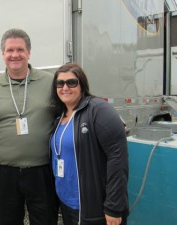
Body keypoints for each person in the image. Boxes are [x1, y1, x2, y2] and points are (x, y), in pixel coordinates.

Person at [0, 28, 58, 225]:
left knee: (45, 220)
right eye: (10, 50)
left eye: (20, 49)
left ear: (29, 52)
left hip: (42, 170)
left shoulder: (50, 82)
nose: (15, 55)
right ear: (3, 54)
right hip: (4, 172)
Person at [50, 63, 129, 225]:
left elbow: (118, 158)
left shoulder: (98, 110)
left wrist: (113, 207)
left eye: (71, 82)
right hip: (67, 203)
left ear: (82, 85)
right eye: (60, 83)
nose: (65, 87)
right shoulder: (60, 117)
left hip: (92, 207)